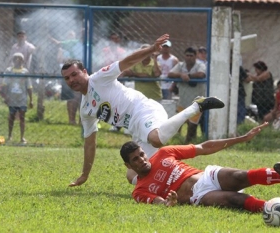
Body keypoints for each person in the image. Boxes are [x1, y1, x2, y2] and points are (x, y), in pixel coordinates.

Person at [61, 34, 224, 186]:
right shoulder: (85, 109)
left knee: (156, 139)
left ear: (84, 72)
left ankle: (196, 106)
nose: (72, 80)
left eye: (74, 74)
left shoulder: (99, 78)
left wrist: (152, 49)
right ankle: (196, 181)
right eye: (67, 78)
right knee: (133, 174)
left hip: (144, 110)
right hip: (136, 130)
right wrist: (85, 174)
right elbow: (90, 143)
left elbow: (126, 62)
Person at [120, 122, 280, 217]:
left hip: (206, 178)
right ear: (129, 166)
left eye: (142, 154)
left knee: (239, 176)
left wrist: (242, 138)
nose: (142, 160)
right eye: (135, 160)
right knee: (234, 200)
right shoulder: (139, 190)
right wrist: (169, 203)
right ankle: (278, 209)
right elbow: (158, 203)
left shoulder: (163, 153)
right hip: (198, 196)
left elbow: (204, 147)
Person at [168, 47, 207, 143]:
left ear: (195, 56)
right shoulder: (181, 65)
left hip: (197, 102)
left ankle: (187, 144)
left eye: (191, 55)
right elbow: (170, 74)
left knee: (192, 126)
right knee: (177, 123)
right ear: (184, 56)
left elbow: (201, 74)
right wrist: (181, 75)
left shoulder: (200, 65)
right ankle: (176, 141)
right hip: (183, 101)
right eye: (187, 55)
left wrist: (189, 76)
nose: (189, 57)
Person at [0, 53, 33, 144]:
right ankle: (9, 135)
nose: (17, 60)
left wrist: (31, 100)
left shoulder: (25, 72)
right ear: (13, 60)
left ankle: (22, 137)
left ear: (23, 61)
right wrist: (5, 97)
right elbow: (5, 85)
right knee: (11, 117)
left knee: (22, 117)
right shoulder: (9, 71)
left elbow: (29, 86)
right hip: (12, 99)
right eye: (15, 58)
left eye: (19, 58)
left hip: (22, 99)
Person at [52, 30, 83, 125]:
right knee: (70, 98)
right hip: (67, 74)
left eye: (72, 36)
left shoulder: (78, 47)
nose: (71, 38)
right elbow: (59, 59)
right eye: (69, 36)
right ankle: (71, 120)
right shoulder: (62, 48)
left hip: (78, 73)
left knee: (80, 97)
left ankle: (81, 121)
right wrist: (69, 60)